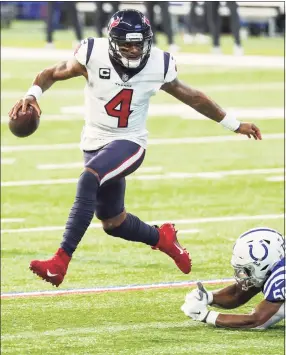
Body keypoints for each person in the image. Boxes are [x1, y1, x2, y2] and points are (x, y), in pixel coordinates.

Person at [9, 9, 261, 288]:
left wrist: (234, 124)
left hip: (130, 142)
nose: (132, 49)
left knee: (88, 178)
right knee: (113, 222)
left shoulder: (157, 63)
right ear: (112, 42)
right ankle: (162, 238)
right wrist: (31, 95)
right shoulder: (92, 53)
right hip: (94, 142)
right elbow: (51, 73)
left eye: (138, 43)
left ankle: (60, 262)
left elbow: (194, 98)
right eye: (126, 44)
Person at [181, 228, 285, 329]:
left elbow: (256, 321)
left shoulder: (281, 277)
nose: (242, 275)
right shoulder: (274, 265)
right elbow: (237, 294)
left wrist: (206, 316)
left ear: (264, 264)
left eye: (246, 270)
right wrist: (208, 297)